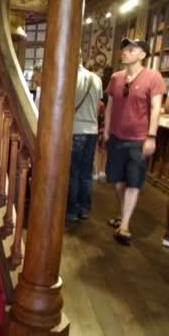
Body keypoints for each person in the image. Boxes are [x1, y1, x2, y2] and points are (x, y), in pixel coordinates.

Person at [104, 38, 166, 245]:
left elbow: (157, 108)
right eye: (124, 49)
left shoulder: (153, 77)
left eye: (131, 50)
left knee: (133, 182)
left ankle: (125, 226)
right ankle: (124, 215)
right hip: (116, 137)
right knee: (117, 180)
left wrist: (151, 136)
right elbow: (110, 106)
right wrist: (105, 131)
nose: (125, 52)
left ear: (142, 55)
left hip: (138, 140)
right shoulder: (115, 77)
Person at [66, 51, 103, 222]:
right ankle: (85, 209)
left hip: (76, 129)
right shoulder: (96, 79)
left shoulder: (70, 77)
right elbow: (97, 107)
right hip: (92, 131)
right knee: (86, 172)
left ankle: (72, 210)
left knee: (73, 172)